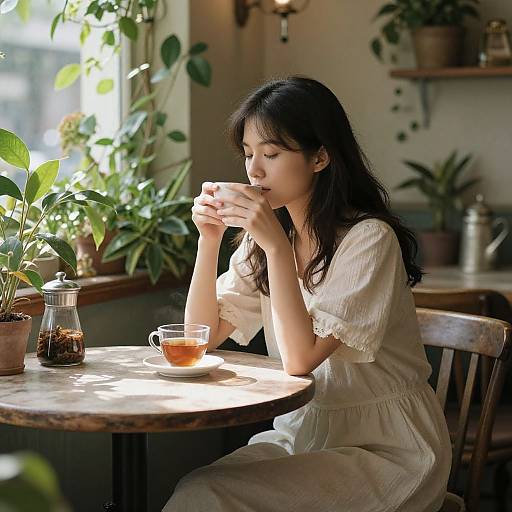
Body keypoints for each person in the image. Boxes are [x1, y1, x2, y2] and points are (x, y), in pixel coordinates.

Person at [163, 76, 451, 512]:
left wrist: (276, 246)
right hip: (302, 428)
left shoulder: (368, 239)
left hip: (387, 448)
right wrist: (208, 239)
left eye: (271, 154)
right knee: (196, 490)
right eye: (248, 155)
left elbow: (300, 360)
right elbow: (196, 339)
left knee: (212, 495)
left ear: (320, 157)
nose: (254, 171)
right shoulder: (265, 240)